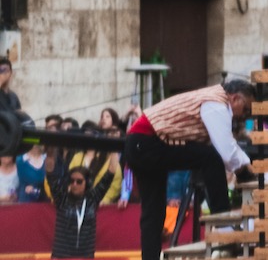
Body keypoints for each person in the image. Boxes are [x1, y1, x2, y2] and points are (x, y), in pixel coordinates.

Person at [120, 78, 252, 260]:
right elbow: (226, 151)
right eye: (245, 109)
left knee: (154, 211)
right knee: (210, 158)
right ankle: (224, 226)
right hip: (148, 142)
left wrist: (243, 167)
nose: (244, 115)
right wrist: (245, 171)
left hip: (138, 143)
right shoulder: (216, 103)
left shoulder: (210, 98)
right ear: (235, 98)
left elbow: (226, 146)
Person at [50, 164, 98, 260]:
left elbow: (109, 176)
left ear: (87, 183)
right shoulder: (62, 199)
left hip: (85, 255)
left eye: (79, 181)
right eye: (72, 181)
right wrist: (50, 156)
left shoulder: (92, 199)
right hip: (62, 256)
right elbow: (51, 178)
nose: (74, 184)